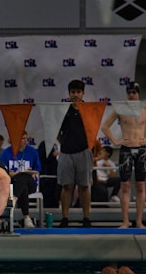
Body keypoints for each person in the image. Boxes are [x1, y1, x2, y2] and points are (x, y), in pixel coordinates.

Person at [101, 81, 146, 228]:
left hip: (141, 150)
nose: (131, 95)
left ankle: (139, 221)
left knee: (140, 186)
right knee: (125, 186)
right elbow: (104, 126)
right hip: (126, 149)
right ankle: (125, 221)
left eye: (134, 92)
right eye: (129, 92)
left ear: (138, 93)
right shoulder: (120, 109)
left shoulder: (144, 108)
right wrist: (115, 141)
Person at [57, 79, 93, 228]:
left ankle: (86, 218)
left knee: (84, 186)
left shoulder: (89, 110)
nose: (76, 95)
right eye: (73, 92)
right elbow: (55, 131)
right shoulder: (62, 110)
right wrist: (63, 143)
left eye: (78, 92)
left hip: (84, 151)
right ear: (69, 93)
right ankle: (65, 218)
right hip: (66, 152)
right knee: (66, 186)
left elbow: (93, 129)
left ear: (83, 93)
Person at [0, 131, 41, 228]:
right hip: (13, 184)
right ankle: (26, 217)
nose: (25, 141)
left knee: (25, 176)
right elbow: (3, 173)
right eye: (22, 139)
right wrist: (19, 173)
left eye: (26, 138)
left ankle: (13, 199)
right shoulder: (6, 153)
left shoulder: (32, 152)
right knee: (23, 187)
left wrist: (31, 173)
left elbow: (37, 170)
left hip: (30, 183)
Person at [37, 141, 60, 208]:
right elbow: (41, 157)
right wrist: (52, 155)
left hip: (57, 176)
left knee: (56, 196)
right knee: (47, 197)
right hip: (46, 176)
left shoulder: (63, 143)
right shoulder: (44, 144)